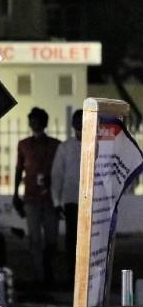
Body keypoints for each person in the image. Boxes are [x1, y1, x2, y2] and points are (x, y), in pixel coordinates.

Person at [12, 107, 61, 286]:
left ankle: (45, 267)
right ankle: (41, 275)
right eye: (32, 120)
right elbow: (19, 169)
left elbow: (59, 171)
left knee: (52, 239)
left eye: (37, 120)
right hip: (31, 197)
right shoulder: (23, 144)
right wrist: (16, 194)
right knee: (35, 238)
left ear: (44, 122)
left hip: (51, 199)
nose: (34, 124)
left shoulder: (56, 145)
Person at [51, 109, 84, 283]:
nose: (81, 124)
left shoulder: (98, 144)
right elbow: (57, 175)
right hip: (72, 200)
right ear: (73, 125)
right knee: (72, 241)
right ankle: (72, 276)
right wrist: (57, 202)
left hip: (93, 201)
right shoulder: (65, 147)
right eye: (78, 121)